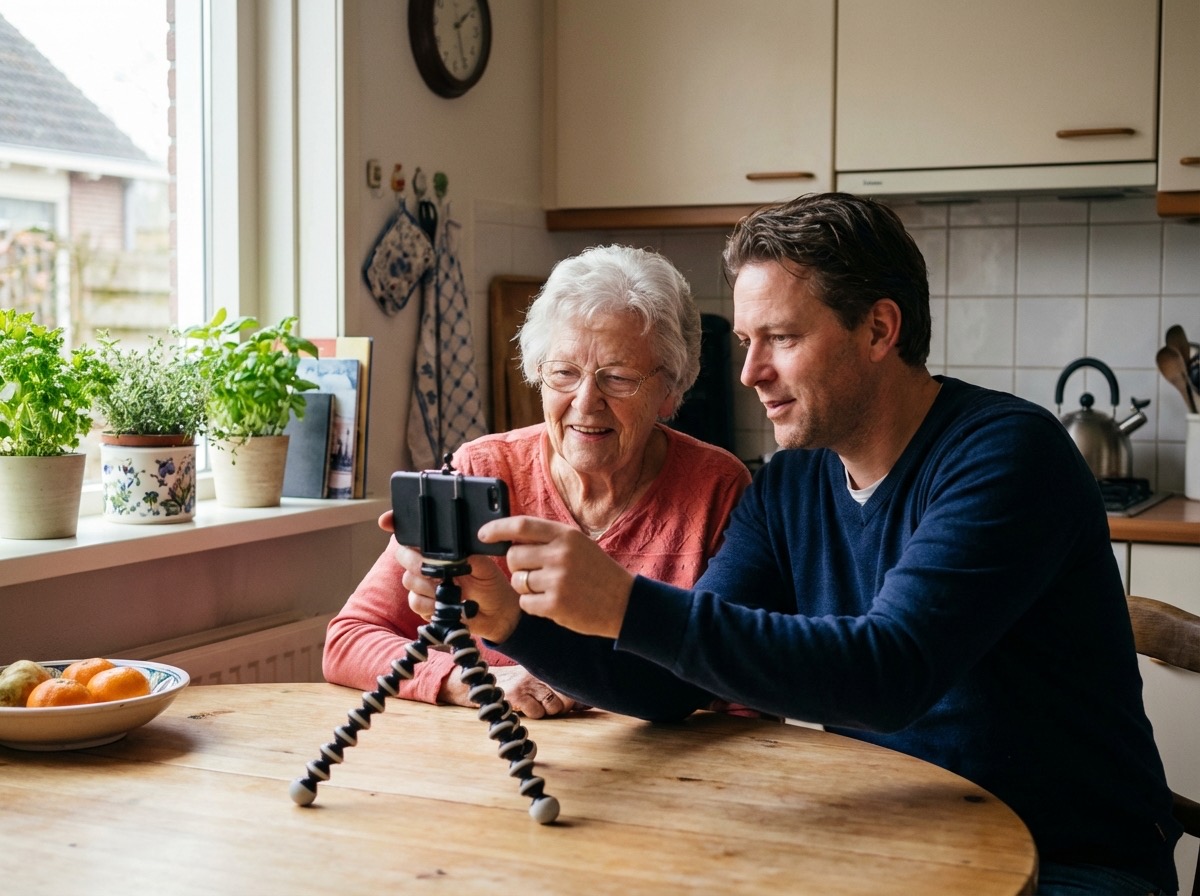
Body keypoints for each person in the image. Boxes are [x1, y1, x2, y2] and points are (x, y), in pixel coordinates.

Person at [400, 194, 1182, 895]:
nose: (748, 372)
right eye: (745, 339)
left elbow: (889, 672)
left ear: (879, 329)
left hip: (1071, 862)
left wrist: (626, 602)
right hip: (891, 843)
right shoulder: (789, 485)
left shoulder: (1007, 455)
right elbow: (675, 687)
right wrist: (513, 624)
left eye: (780, 337)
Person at [323, 244, 751, 719]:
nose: (586, 402)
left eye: (618, 378)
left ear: (670, 391)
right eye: (564, 373)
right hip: (497, 767)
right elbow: (350, 639)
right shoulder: (480, 471)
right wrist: (473, 680)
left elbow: (740, 697)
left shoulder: (718, 489)